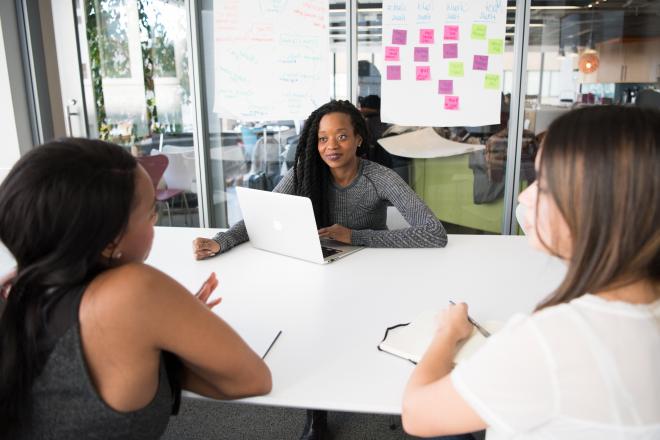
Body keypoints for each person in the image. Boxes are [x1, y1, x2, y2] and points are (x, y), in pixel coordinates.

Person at [401, 105, 660, 439]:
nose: (525, 195)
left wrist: (448, 333)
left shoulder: (556, 343)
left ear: (600, 207)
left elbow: (417, 414)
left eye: (545, 186)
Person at [0, 139, 272, 439]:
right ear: (108, 240)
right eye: (150, 213)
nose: (155, 221)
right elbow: (252, 379)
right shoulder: (133, 292)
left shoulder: (19, 289)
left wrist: (157, 329)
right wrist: (168, 328)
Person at [193, 100, 447, 260]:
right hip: (320, 264)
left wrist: (355, 236)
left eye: (342, 136)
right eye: (323, 139)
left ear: (358, 139)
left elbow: (434, 233)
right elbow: (261, 216)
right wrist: (220, 241)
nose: (331, 146)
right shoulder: (305, 174)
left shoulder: (380, 178)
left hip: (374, 266)